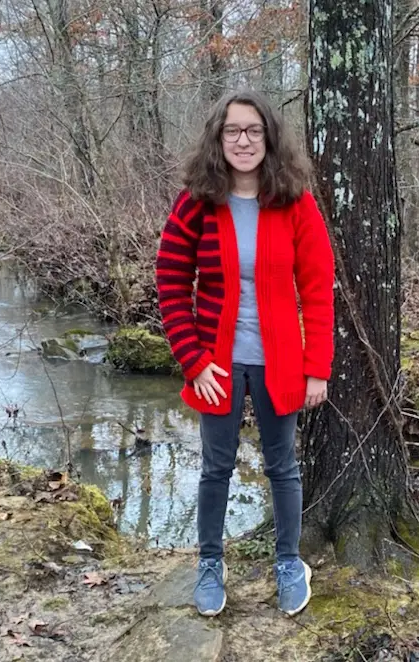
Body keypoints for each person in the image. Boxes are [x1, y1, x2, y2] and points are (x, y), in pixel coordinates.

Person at [155, 89, 334, 618]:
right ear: (218, 138)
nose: (243, 140)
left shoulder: (293, 199)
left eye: (253, 130)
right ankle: (210, 562)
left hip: (281, 360)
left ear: (269, 137)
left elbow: (319, 286)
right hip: (216, 361)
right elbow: (170, 279)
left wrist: (316, 367)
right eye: (232, 130)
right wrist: (192, 359)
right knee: (216, 467)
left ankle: (287, 562)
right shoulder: (197, 201)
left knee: (283, 467)